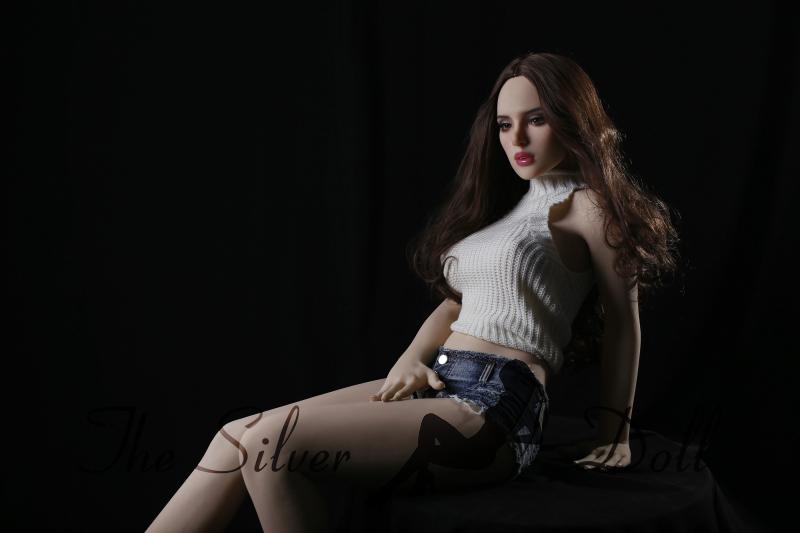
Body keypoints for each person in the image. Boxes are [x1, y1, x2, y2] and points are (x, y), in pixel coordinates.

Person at [145, 51, 680, 533]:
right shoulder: (512, 211)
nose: (516, 139)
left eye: (536, 120)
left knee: (270, 444)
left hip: (494, 406)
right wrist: (411, 357)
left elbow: (623, 324)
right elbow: (457, 303)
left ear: (572, 118)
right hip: (441, 381)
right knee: (236, 437)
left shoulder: (589, 206)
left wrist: (615, 433)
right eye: (504, 124)